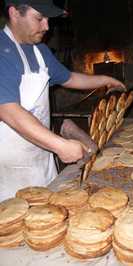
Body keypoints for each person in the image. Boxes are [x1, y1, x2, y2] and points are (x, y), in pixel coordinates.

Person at [0, 0, 125, 201]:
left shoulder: (39, 50)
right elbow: (8, 111)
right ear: (14, 13)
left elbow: (69, 78)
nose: (47, 27)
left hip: (42, 160)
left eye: (48, 19)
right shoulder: (2, 51)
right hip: (8, 170)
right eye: (39, 18)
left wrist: (104, 80)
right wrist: (60, 145)